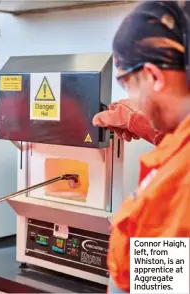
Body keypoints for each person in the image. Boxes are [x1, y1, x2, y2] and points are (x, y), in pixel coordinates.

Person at [92, 1, 190, 292]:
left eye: (128, 84)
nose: (131, 98)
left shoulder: (177, 182)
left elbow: (160, 285)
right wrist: (154, 131)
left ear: (153, 76)